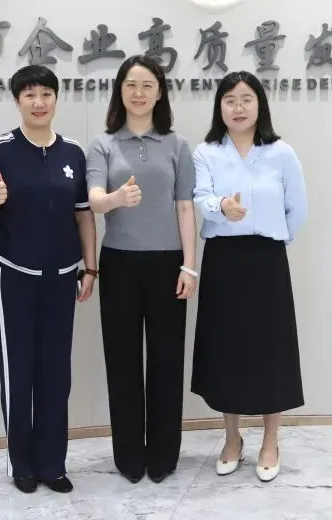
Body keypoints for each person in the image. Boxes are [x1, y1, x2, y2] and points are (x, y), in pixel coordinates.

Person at [0, 64, 98, 495]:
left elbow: (84, 216)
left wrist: (90, 268)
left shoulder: (73, 153)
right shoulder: (0, 149)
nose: (39, 102)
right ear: (17, 101)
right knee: (18, 371)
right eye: (30, 95)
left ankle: (52, 464)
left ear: (56, 99)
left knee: (56, 374)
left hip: (62, 277)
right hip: (15, 276)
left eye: (46, 94)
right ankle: (21, 464)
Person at [190, 70, 307, 483]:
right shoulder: (206, 152)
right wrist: (222, 207)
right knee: (227, 349)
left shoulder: (281, 153)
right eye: (229, 100)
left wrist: (270, 235)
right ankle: (232, 438)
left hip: (267, 260)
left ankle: (271, 440)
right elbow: (200, 198)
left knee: (270, 349)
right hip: (223, 259)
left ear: (260, 105)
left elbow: (297, 209)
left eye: (246, 99)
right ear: (219, 107)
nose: (238, 108)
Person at [86, 54, 198, 484]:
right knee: (123, 361)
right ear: (120, 91)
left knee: (167, 361)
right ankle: (129, 454)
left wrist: (189, 267)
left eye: (147, 85)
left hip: (168, 263)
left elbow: (185, 208)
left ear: (160, 92)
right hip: (119, 264)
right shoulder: (103, 144)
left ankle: (164, 454)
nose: (138, 93)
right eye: (131, 85)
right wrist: (117, 199)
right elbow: (94, 199)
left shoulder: (177, 145)